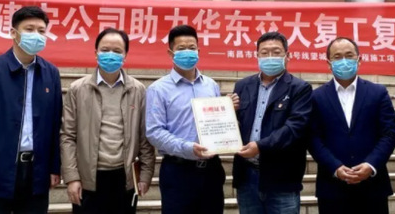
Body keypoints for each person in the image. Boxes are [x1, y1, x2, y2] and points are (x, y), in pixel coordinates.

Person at [0, 6, 62, 214]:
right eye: (29, 29)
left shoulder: (51, 73)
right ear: (13, 33)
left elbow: (54, 125)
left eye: (41, 31)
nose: (36, 35)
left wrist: (54, 167)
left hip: (36, 173)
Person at [145, 25, 238, 214]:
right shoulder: (158, 89)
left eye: (192, 47)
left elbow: (217, 123)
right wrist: (187, 148)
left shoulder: (211, 85)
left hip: (211, 170)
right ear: (170, 53)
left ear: (198, 51)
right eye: (181, 48)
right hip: (178, 171)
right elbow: (154, 132)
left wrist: (228, 110)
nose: (187, 52)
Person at [61, 28, 155, 214]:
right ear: (96, 53)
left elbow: (144, 136)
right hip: (88, 179)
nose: (110, 55)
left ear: (125, 55)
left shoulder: (137, 90)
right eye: (105, 50)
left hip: (124, 178)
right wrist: (72, 177)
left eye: (117, 51)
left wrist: (145, 174)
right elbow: (67, 136)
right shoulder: (78, 89)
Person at [308, 37, 395, 214]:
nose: (344, 61)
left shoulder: (378, 93)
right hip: (332, 187)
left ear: (359, 59)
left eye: (349, 56)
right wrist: (335, 167)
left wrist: (370, 165)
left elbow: (389, 134)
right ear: (328, 63)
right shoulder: (316, 97)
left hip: (372, 187)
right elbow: (313, 138)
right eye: (337, 57)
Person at [232, 32, 313, 214]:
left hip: (282, 178)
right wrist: (229, 110)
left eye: (276, 52)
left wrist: (260, 146)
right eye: (264, 52)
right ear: (257, 56)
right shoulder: (242, 86)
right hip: (247, 176)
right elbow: (236, 124)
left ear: (287, 55)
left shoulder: (300, 88)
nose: (270, 57)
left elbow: (294, 128)